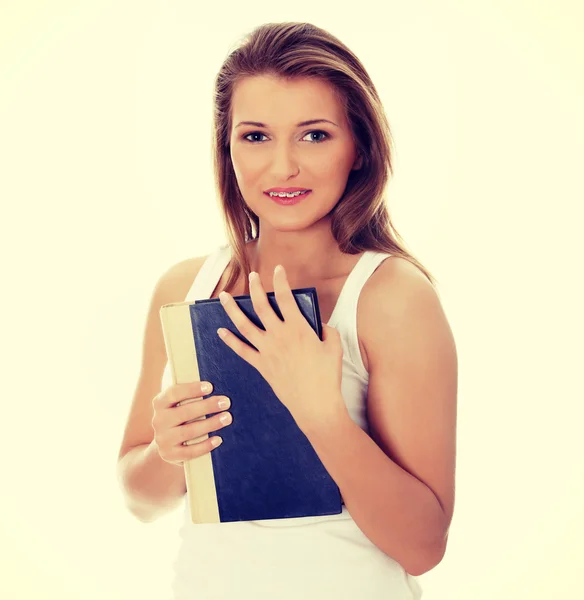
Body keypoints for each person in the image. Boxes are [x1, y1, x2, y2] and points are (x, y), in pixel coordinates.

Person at [116, 21, 457, 600]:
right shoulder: (185, 285)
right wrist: (169, 451)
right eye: (255, 136)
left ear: (359, 149)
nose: (282, 168)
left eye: (314, 135)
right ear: (227, 147)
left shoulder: (392, 298)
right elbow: (138, 498)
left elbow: (423, 546)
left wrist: (320, 412)